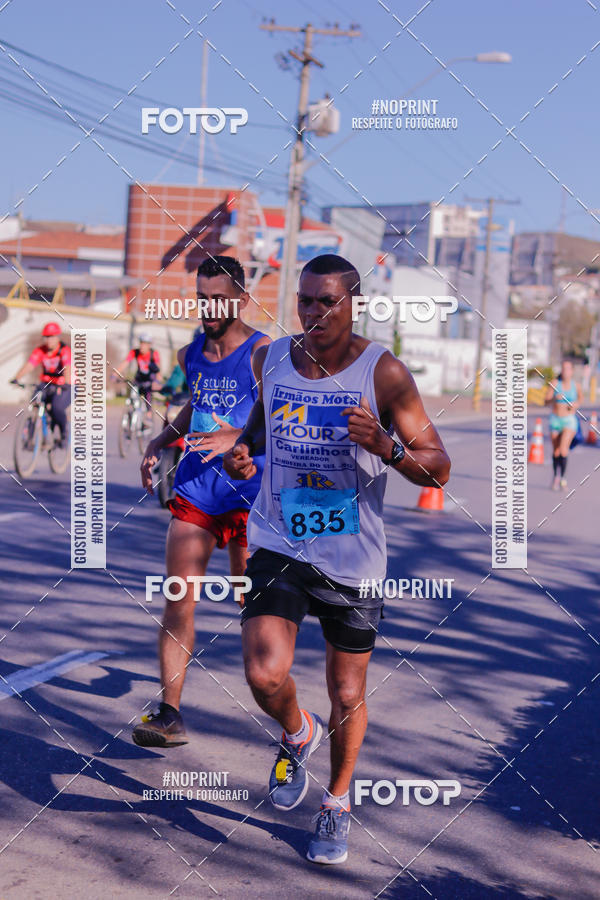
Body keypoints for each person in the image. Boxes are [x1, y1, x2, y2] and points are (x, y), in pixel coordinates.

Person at [223, 253, 450, 865]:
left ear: (353, 304)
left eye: (328, 301)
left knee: (347, 690)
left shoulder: (384, 373)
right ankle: (297, 731)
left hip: (352, 557)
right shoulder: (270, 358)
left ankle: (338, 804)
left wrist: (387, 445)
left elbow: (438, 464)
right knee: (264, 673)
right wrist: (243, 455)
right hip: (280, 540)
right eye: (305, 300)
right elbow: (259, 432)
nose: (314, 312)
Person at [132, 256, 270, 747]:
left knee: (252, 608)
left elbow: (282, 417)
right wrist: (159, 442)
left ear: (241, 299)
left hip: (252, 497)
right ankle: (170, 713)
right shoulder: (192, 353)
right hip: (196, 493)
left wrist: (235, 435)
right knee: (178, 601)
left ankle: (283, 712)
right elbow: (194, 407)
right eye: (203, 297)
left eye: (220, 298)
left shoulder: (263, 352)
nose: (210, 307)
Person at [11, 322, 71, 446]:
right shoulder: (40, 350)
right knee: (35, 401)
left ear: (57, 337)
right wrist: (16, 378)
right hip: (46, 383)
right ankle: (30, 438)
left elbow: (68, 369)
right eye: (46, 337)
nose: (49, 340)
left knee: (56, 407)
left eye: (52, 336)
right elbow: (30, 365)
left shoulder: (64, 350)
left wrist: (64, 384)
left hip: (65, 384)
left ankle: (64, 433)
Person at [544, 359, 582, 490]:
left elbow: (580, 399)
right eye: (563, 368)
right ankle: (556, 477)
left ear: (572, 371)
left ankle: (563, 479)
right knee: (556, 451)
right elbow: (545, 401)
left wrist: (575, 405)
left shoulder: (576, 385)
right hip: (555, 420)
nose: (566, 371)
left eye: (568, 369)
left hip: (569, 421)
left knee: (563, 449)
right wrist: (554, 398)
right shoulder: (555, 383)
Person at [114, 333, 161, 429]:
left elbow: (158, 369)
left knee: (148, 392)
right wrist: (115, 374)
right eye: (141, 343)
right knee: (132, 390)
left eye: (145, 344)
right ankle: (132, 410)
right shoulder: (134, 352)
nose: (142, 346)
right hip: (139, 377)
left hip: (149, 378)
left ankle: (148, 416)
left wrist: (157, 380)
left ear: (149, 345)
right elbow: (125, 363)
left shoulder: (153, 353)